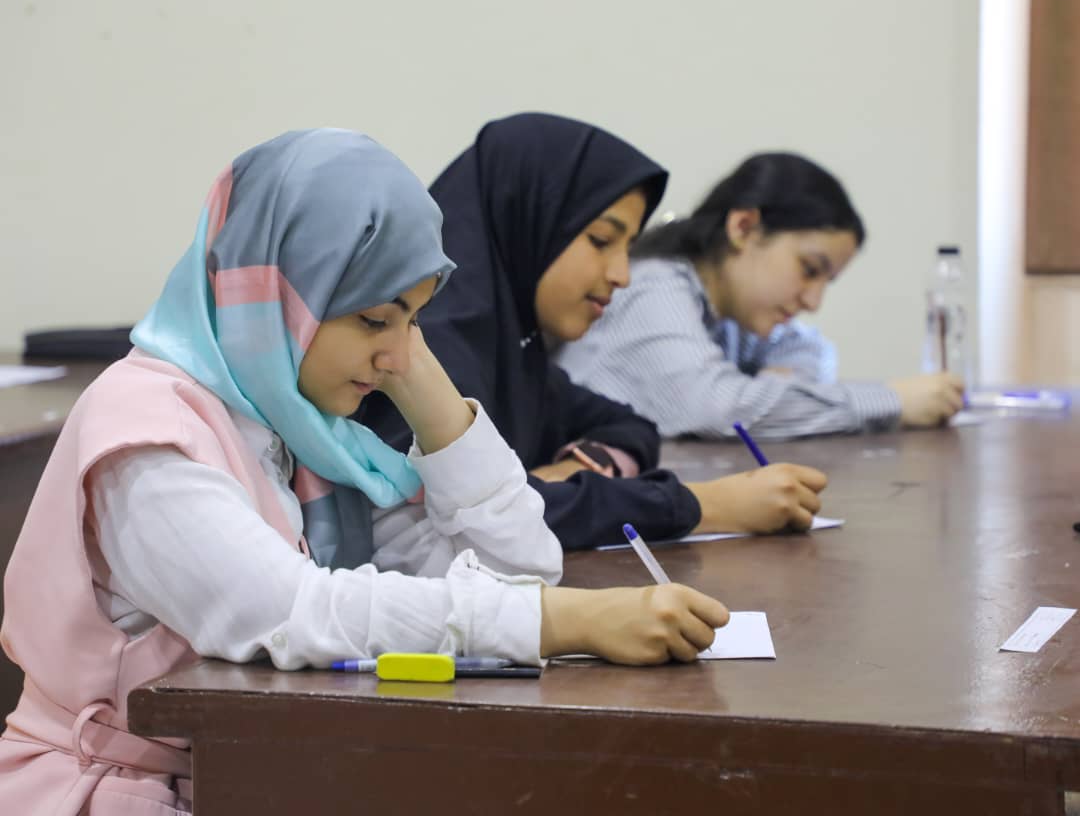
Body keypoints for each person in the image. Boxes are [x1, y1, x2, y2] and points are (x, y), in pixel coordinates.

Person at [0, 130, 730, 814]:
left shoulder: (305, 434)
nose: (398, 353)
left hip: (246, 774)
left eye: (415, 320)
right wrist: (567, 622)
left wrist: (423, 381)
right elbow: (291, 612)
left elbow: (518, 569)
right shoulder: (146, 428)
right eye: (375, 319)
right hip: (106, 792)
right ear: (277, 297)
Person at [356, 115, 829, 550]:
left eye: (627, 247)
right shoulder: (421, 350)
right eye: (601, 240)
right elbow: (470, 523)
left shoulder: (513, 348)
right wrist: (703, 506)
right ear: (527, 217)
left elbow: (631, 427)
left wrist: (575, 469)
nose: (622, 274)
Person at [556, 152, 965, 440]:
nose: (813, 302)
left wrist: (776, 386)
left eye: (826, 282)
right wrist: (892, 401)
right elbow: (720, 409)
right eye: (809, 269)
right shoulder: (654, 288)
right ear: (744, 228)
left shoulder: (729, 312)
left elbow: (810, 349)